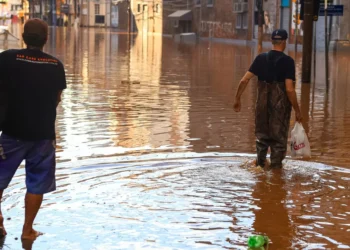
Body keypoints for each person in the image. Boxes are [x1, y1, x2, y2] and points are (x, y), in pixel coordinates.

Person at [0, 18, 66, 240]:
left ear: (23, 37)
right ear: (46, 39)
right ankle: (28, 230)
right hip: (43, 135)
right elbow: (57, 98)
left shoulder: (7, 59)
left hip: (11, 132)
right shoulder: (56, 65)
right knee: (36, 184)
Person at [233, 29, 302, 168]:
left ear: (272, 41)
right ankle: (276, 176)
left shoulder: (260, 58)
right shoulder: (288, 61)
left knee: (262, 139)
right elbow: (289, 89)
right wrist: (297, 110)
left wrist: (237, 99)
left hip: (261, 107)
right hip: (280, 109)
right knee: (278, 141)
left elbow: (244, 81)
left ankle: (260, 168)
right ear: (284, 42)